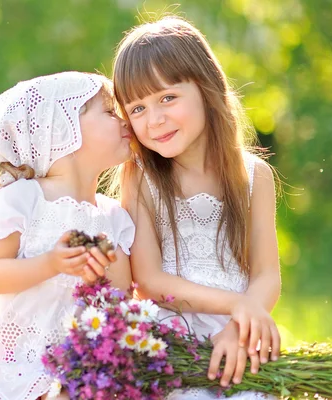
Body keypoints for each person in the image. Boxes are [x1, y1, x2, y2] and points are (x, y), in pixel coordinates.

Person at [111, 16, 282, 398]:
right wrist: (240, 306)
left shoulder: (254, 175)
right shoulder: (141, 178)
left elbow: (267, 274)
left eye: (167, 98)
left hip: (238, 334)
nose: (154, 120)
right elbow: (150, 281)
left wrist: (241, 326)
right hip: (173, 341)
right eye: (137, 109)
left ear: (206, 89)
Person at [0, 71, 135, 400]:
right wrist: (51, 263)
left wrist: (99, 275)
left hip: (83, 372)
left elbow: (120, 301)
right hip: (21, 369)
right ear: (64, 130)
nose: (124, 118)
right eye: (109, 111)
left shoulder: (113, 217)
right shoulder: (24, 199)